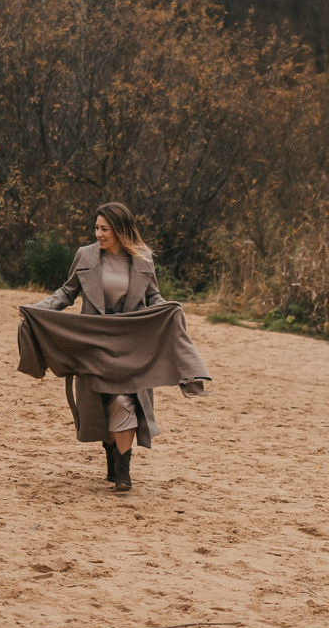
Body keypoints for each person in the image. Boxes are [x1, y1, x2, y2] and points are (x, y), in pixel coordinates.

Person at [21, 202, 210, 492]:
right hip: (94, 344)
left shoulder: (143, 259)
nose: (98, 234)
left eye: (104, 229)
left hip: (131, 345)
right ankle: (112, 456)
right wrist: (36, 311)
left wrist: (169, 311)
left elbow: (153, 298)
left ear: (120, 230)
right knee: (102, 406)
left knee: (125, 401)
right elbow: (66, 293)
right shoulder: (85, 255)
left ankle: (123, 472)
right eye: (96, 228)